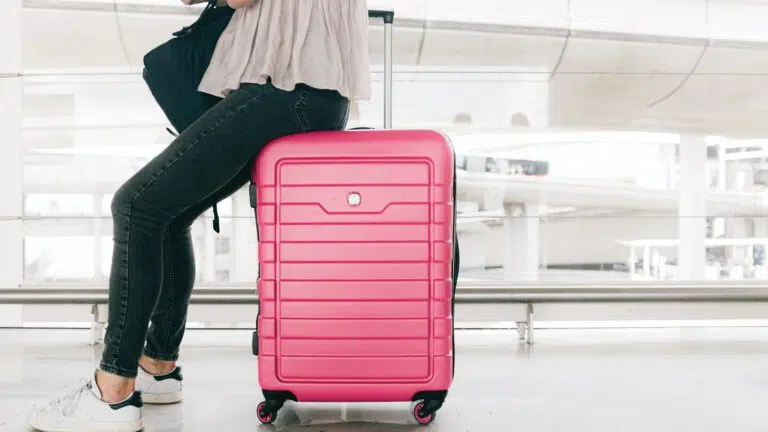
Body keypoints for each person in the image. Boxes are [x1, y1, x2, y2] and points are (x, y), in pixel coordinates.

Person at [27, 0, 370, 431]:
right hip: (316, 94)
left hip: (285, 90)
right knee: (169, 213)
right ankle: (158, 366)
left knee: (136, 205)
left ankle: (112, 389)